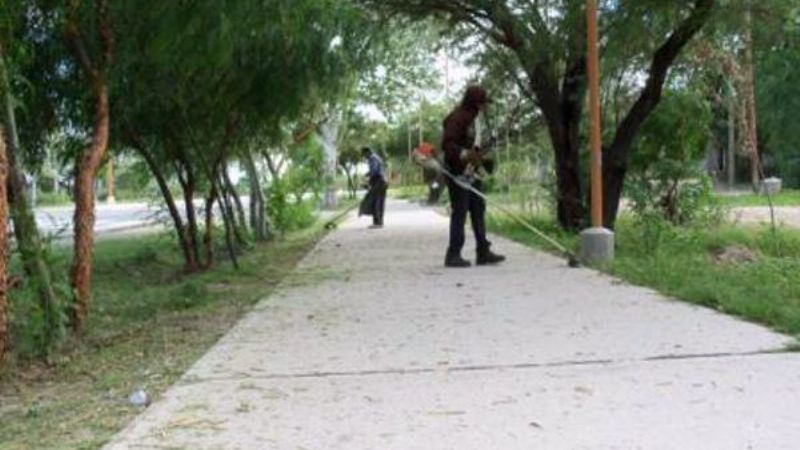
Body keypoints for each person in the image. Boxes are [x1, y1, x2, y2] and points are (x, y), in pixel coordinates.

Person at [441, 85, 505, 268]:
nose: (484, 107)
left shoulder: (475, 118)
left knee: (478, 208)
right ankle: (453, 255)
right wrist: (464, 154)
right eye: (482, 103)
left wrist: (481, 155)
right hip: (457, 172)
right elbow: (447, 144)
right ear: (474, 102)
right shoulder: (457, 117)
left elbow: (474, 145)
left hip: (472, 170)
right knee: (460, 211)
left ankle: (483, 251)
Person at [358, 146, 387, 228]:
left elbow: (374, 171)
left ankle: (378, 223)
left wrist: (366, 176)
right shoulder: (376, 158)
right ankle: (378, 222)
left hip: (379, 181)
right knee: (378, 202)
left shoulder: (373, 159)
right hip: (381, 181)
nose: (364, 157)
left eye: (364, 155)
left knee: (376, 202)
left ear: (367, 153)